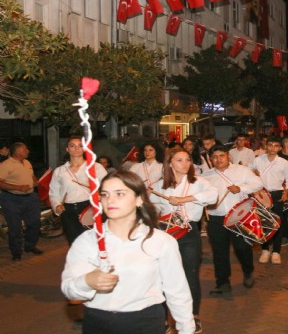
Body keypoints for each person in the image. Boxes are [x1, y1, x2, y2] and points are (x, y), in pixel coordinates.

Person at [61, 171, 195, 334]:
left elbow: (177, 291)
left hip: (145, 323)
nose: (110, 200)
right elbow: (69, 288)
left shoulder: (160, 241)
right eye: (104, 194)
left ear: (139, 199)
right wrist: (87, 281)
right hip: (97, 322)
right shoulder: (88, 240)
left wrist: (186, 328)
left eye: (120, 194)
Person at [149, 148, 218, 332]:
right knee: (162, 277)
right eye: (179, 160)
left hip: (188, 233)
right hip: (165, 234)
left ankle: (193, 316)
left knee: (189, 275)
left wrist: (185, 199)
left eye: (187, 159)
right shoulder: (158, 186)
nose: (185, 163)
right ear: (170, 163)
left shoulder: (198, 182)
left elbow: (213, 195)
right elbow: (151, 210)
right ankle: (163, 319)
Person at [202, 146, 263, 295]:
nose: (218, 159)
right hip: (216, 218)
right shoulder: (205, 176)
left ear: (228, 156)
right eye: (214, 157)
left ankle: (248, 271)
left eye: (221, 155)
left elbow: (258, 184)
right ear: (210, 159)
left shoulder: (241, 170)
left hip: (238, 216)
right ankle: (222, 282)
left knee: (242, 247)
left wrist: (240, 188)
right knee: (219, 252)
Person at [50, 136, 108, 245]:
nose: (76, 148)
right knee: (74, 243)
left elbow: (108, 185)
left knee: (93, 242)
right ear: (67, 149)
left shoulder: (95, 167)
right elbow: (54, 192)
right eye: (72, 146)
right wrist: (57, 206)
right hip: (68, 210)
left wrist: (101, 198)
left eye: (80, 146)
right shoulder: (60, 171)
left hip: (89, 208)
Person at [251, 136, 288, 265]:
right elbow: (247, 172)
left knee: (278, 223)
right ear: (266, 146)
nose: (273, 148)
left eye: (276, 146)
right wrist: (253, 172)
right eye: (270, 145)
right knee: (263, 222)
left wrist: (286, 192)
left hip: (278, 194)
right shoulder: (258, 160)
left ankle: (276, 252)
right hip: (261, 194)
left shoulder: (283, 162)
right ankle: (265, 250)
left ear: (280, 148)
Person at [0, 142, 42, 261]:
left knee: (34, 223)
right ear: (18, 151)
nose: (28, 151)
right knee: (15, 227)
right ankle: (16, 252)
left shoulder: (27, 162)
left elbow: (31, 175)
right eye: (25, 149)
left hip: (30, 197)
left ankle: (30, 246)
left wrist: (35, 181)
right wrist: (17, 187)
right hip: (11, 199)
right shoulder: (6, 165)